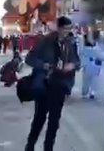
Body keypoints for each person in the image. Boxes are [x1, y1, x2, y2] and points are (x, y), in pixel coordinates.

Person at [24, 17, 78, 151]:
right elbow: (29, 59)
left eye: (69, 29)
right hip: (44, 85)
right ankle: (30, 145)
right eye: (65, 28)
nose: (67, 32)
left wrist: (72, 65)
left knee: (54, 122)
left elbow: (77, 61)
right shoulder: (45, 42)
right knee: (40, 118)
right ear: (59, 28)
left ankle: (48, 148)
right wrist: (44, 65)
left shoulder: (70, 43)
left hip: (60, 85)